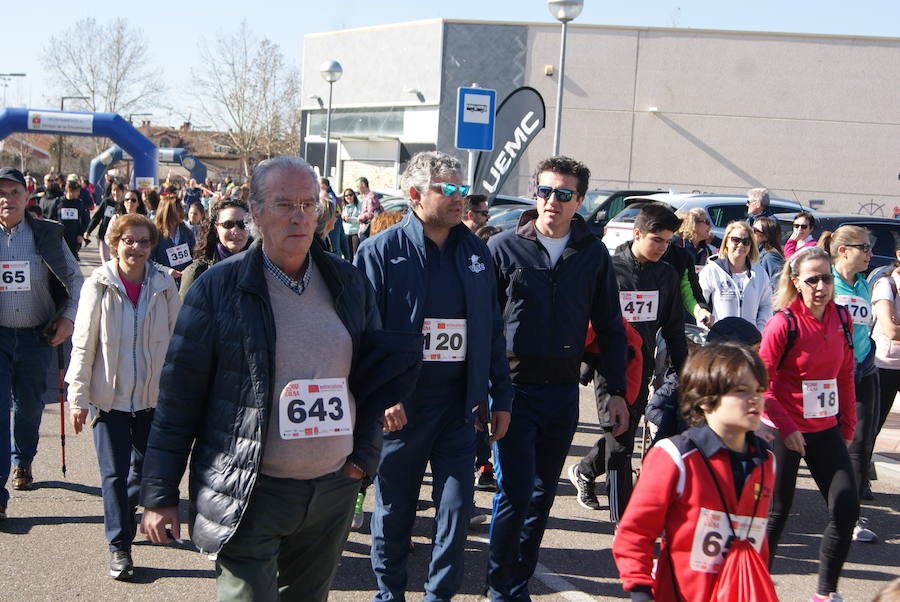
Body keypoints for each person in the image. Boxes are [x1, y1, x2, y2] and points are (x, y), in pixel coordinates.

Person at [139, 156, 422, 601]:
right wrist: (159, 493)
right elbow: (179, 397)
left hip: (331, 490)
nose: (299, 216)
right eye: (285, 204)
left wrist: (361, 462)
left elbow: (372, 383)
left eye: (309, 204)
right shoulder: (217, 288)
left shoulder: (348, 283)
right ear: (255, 213)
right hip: (249, 490)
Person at [354, 151, 513, 602]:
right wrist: (382, 396)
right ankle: (389, 594)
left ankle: (438, 595)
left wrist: (500, 395)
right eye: (446, 189)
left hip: (458, 411)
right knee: (395, 511)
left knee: (457, 510)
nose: (459, 198)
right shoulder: (380, 252)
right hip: (401, 412)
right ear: (414, 195)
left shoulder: (477, 253)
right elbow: (363, 335)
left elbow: (493, 329)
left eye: (462, 189)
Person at [487, 156, 628, 600]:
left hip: (564, 393)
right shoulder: (503, 248)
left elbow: (610, 327)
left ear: (579, 201)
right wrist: (487, 393)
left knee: (543, 495)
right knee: (514, 491)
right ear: (536, 194)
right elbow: (485, 326)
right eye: (545, 191)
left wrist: (617, 394)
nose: (552, 201)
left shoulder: (592, 254)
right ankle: (500, 585)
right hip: (512, 391)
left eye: (564, 194)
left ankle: (518, 580)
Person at [613, 343, 776, 602]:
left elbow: (757, 540)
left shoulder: (765, 460)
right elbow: (634, 534)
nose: (755, 399)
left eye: (758, 390)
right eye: (741, 391)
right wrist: (641, 590)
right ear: (706, 401)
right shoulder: (675, 457)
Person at [66, 214, 180, 580]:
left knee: (145, 471)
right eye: (129, 241)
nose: (136, 248)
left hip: (152, 399)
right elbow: (83, 344)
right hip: (109, 399)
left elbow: (179, 341)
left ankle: (124, 520)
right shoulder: (97, 285)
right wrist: (77, 397)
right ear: (115, 243)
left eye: (144, 241)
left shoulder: (163, 284)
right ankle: (119, 547)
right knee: (113, 475)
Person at [570, 203, 687, 521]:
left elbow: (674, 327)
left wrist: (684, 371)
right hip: (609, 365)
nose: (662, 247)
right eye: (656, 240)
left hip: (643, 366)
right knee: (621, 441)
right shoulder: (609, 270)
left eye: (667, 241)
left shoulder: (666, 275)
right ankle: (623, 518)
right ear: (637, 234)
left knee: (624, 431)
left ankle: (584, 469)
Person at [761, 246, 858, 601]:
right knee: (777, 514)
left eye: (827, 278)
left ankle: (826, 592)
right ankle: (755, 589)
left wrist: (847, 427)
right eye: (812, 279)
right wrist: (786, 427)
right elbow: (760, 384)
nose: (821, 286)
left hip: (824, 428)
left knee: (847, 506)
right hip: (783, 430)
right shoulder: (782, 323)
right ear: (797, 283)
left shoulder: (842, 318)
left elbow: (846, 374)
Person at [0, 167, 83, 517]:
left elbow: (76, 279)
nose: (7, 199)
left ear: (27, 196)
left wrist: (68, 318)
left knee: (30, 406)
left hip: (37, 335)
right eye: (1, 193)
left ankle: (23, 460)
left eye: (14, 192)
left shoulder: (46, 233)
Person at [825, 226, 879, 540]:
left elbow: (864, 327)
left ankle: (851, 515)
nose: (871, 254)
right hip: (830, 373)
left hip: (863, 369)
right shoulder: (825, 281)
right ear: (843, 250)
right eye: (864, 248)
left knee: (860, 443)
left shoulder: (864, 285)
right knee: (822, 442)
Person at [699, 220, 773, 331]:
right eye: (735, 240)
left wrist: (760, 331)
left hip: (750, 342)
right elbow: (700, 303)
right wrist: (707, 330)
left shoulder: (760, 273)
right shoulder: (712, 270)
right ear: (726, 242)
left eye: (746, 241)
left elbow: (767, 306)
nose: (740, 245)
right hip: (719, 342)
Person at [871, 238, 900, 491]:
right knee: (874, 423)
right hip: (886, 362)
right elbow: (891, 330)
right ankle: (860, 476)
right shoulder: (886, 284)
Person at [179, 198, 252, 297]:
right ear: (216, 228)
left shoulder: (263, 267)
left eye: (242, 224)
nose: (235, 231)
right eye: (228, 225)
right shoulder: (197, 273)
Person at [151, 193, 195, 282]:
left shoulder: (187, 232)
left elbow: (194, 255)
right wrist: (167, 271)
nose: (181, 212)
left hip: (186, 282)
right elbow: (149, 262)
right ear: (167, 212)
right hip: (164, 282)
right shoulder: (155, 234)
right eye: (177, 209)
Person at [85, 181, 126, 262]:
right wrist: (88, 231)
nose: (116, 193)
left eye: (118, 191)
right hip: (104, 236)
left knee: (117, 261)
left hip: (119, 238)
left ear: (122, 192)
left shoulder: (125, 204)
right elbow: (97, 217)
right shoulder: (107, 202)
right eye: (114, 190)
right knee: (105, 261)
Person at [50, 179, 89, 259]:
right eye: (77, 191)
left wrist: (81, 234)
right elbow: (51, 218)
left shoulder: (79, 203)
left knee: (72, 261)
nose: (79, 194)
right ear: (70, 191)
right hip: (60, 237)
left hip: (74, 238)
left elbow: (85, 219)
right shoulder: (58, 202)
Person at [752, 216, 785, 291]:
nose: (751, 232)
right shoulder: (757, 252)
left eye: (755, 230)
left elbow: (778, 287)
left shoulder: (770, 257)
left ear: (766, 237)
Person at [357, 176, 382, 242]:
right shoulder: (366, 196)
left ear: (363, 185)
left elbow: (371, 214)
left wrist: (360, 217)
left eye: (358, 186)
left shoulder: (371, 197)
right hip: (366, 228)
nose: (357, 189)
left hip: (368, 229)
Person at [341, 188, 361, 258]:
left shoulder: (359, 204)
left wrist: (350, 219)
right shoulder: (344, 206)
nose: (348, 197)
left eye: (350, 195)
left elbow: (360, 218)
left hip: (355, 232)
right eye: (346, 196)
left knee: (355, 254)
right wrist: (343, 217)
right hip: (346, 232)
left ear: (354, 195)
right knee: (348, 255)